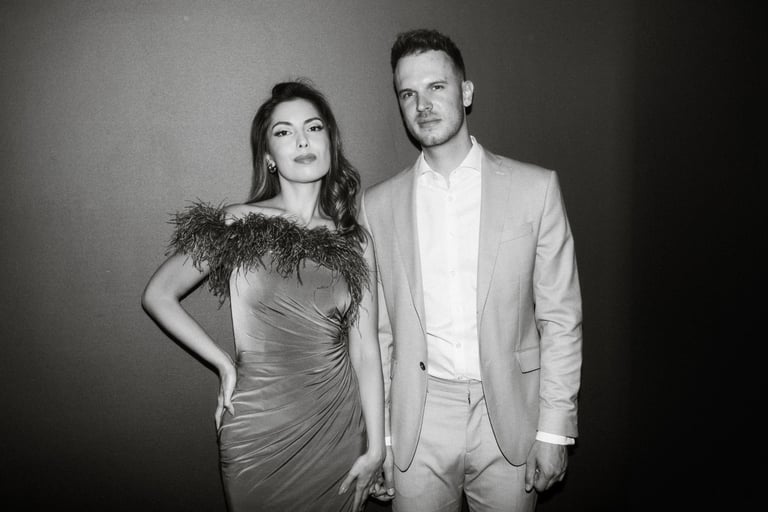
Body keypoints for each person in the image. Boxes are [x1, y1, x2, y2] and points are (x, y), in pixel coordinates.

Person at [361, 29, 582, 511]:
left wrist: (554, 430)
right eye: (408, 94)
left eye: (436, 87)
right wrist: (383, 440)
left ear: (465, 92)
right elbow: (378, 335)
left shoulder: (535, 189)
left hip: (510, 413)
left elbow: (560, 318)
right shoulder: (376, 206)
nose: (422, 104)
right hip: (418, 420)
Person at [141, 80, 384, 512]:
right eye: (284, 132)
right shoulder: (238, 222)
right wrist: (223, 364)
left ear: (330, 143)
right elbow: (158, 294)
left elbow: (366, 352)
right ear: (269, 157)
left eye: (313, 127)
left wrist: (377, 448)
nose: (302, 140)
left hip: (339, 431)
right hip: (258, 435)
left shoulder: (355, 240)